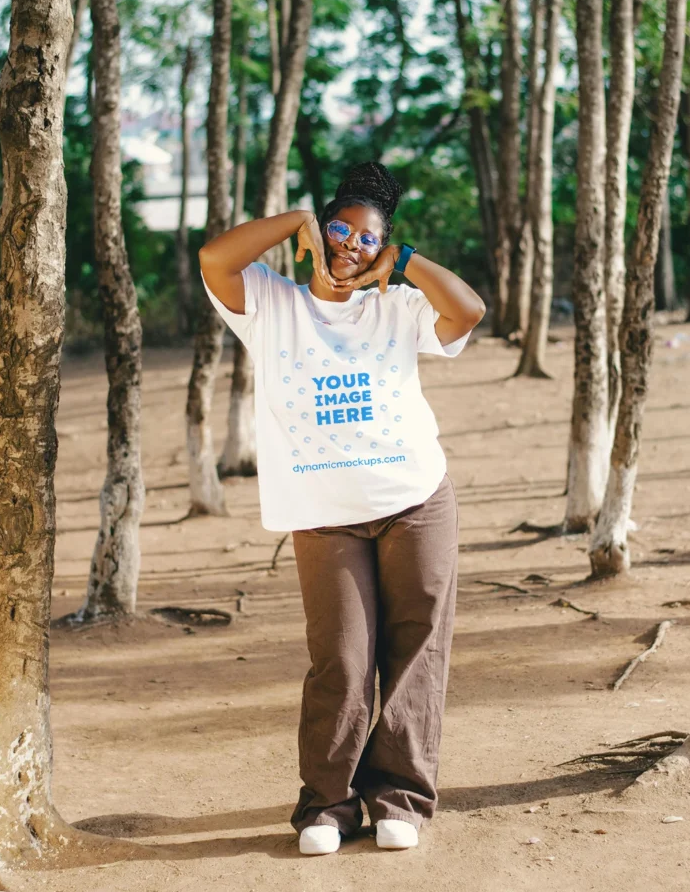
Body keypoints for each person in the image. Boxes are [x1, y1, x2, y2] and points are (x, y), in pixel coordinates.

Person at [199, 161, 485, 855]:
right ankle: (327, 804)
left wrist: (406, 263)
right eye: (337, 229)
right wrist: (294, 222)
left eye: (367, 238)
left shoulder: (396, 304)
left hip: (413, 499)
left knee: (416, 652)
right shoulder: (270, 303)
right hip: (324, 515)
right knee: (342, 661)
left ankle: (401, 799)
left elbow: (467, 309)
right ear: (317, 232)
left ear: (382, 248)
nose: (349, 245)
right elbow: (214, 256)